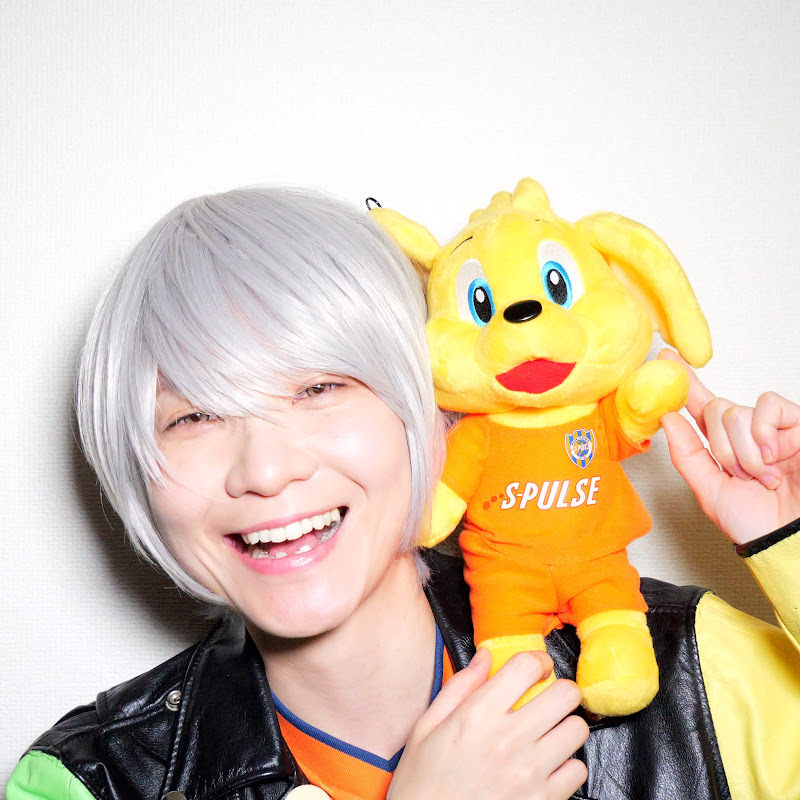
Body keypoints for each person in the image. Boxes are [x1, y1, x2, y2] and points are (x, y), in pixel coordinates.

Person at [6, 186, 800, 800]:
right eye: (194, 417)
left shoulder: (693, 671)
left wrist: (790, 548)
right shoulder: (89, 782)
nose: (265, 470)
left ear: (431, 409)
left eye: (319, 387)